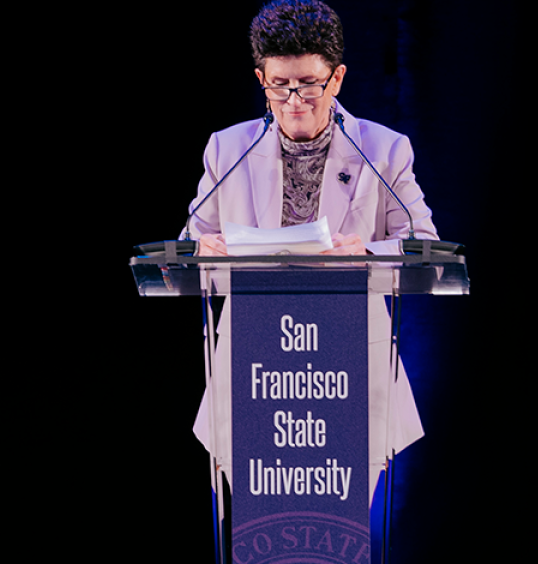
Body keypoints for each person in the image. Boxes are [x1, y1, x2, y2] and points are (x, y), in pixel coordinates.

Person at [184, 0, 437, 504]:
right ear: (262, 78)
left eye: (309, 84)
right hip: (258, 362)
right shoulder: (227, 150)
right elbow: (190, 246)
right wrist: (203, 250)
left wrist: (365, 250)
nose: (294, 99)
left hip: (345, 358)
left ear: (337, 78)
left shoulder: (383, 150)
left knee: (334, 520)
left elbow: (424, 249)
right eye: (280, 85)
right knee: (267, 516)